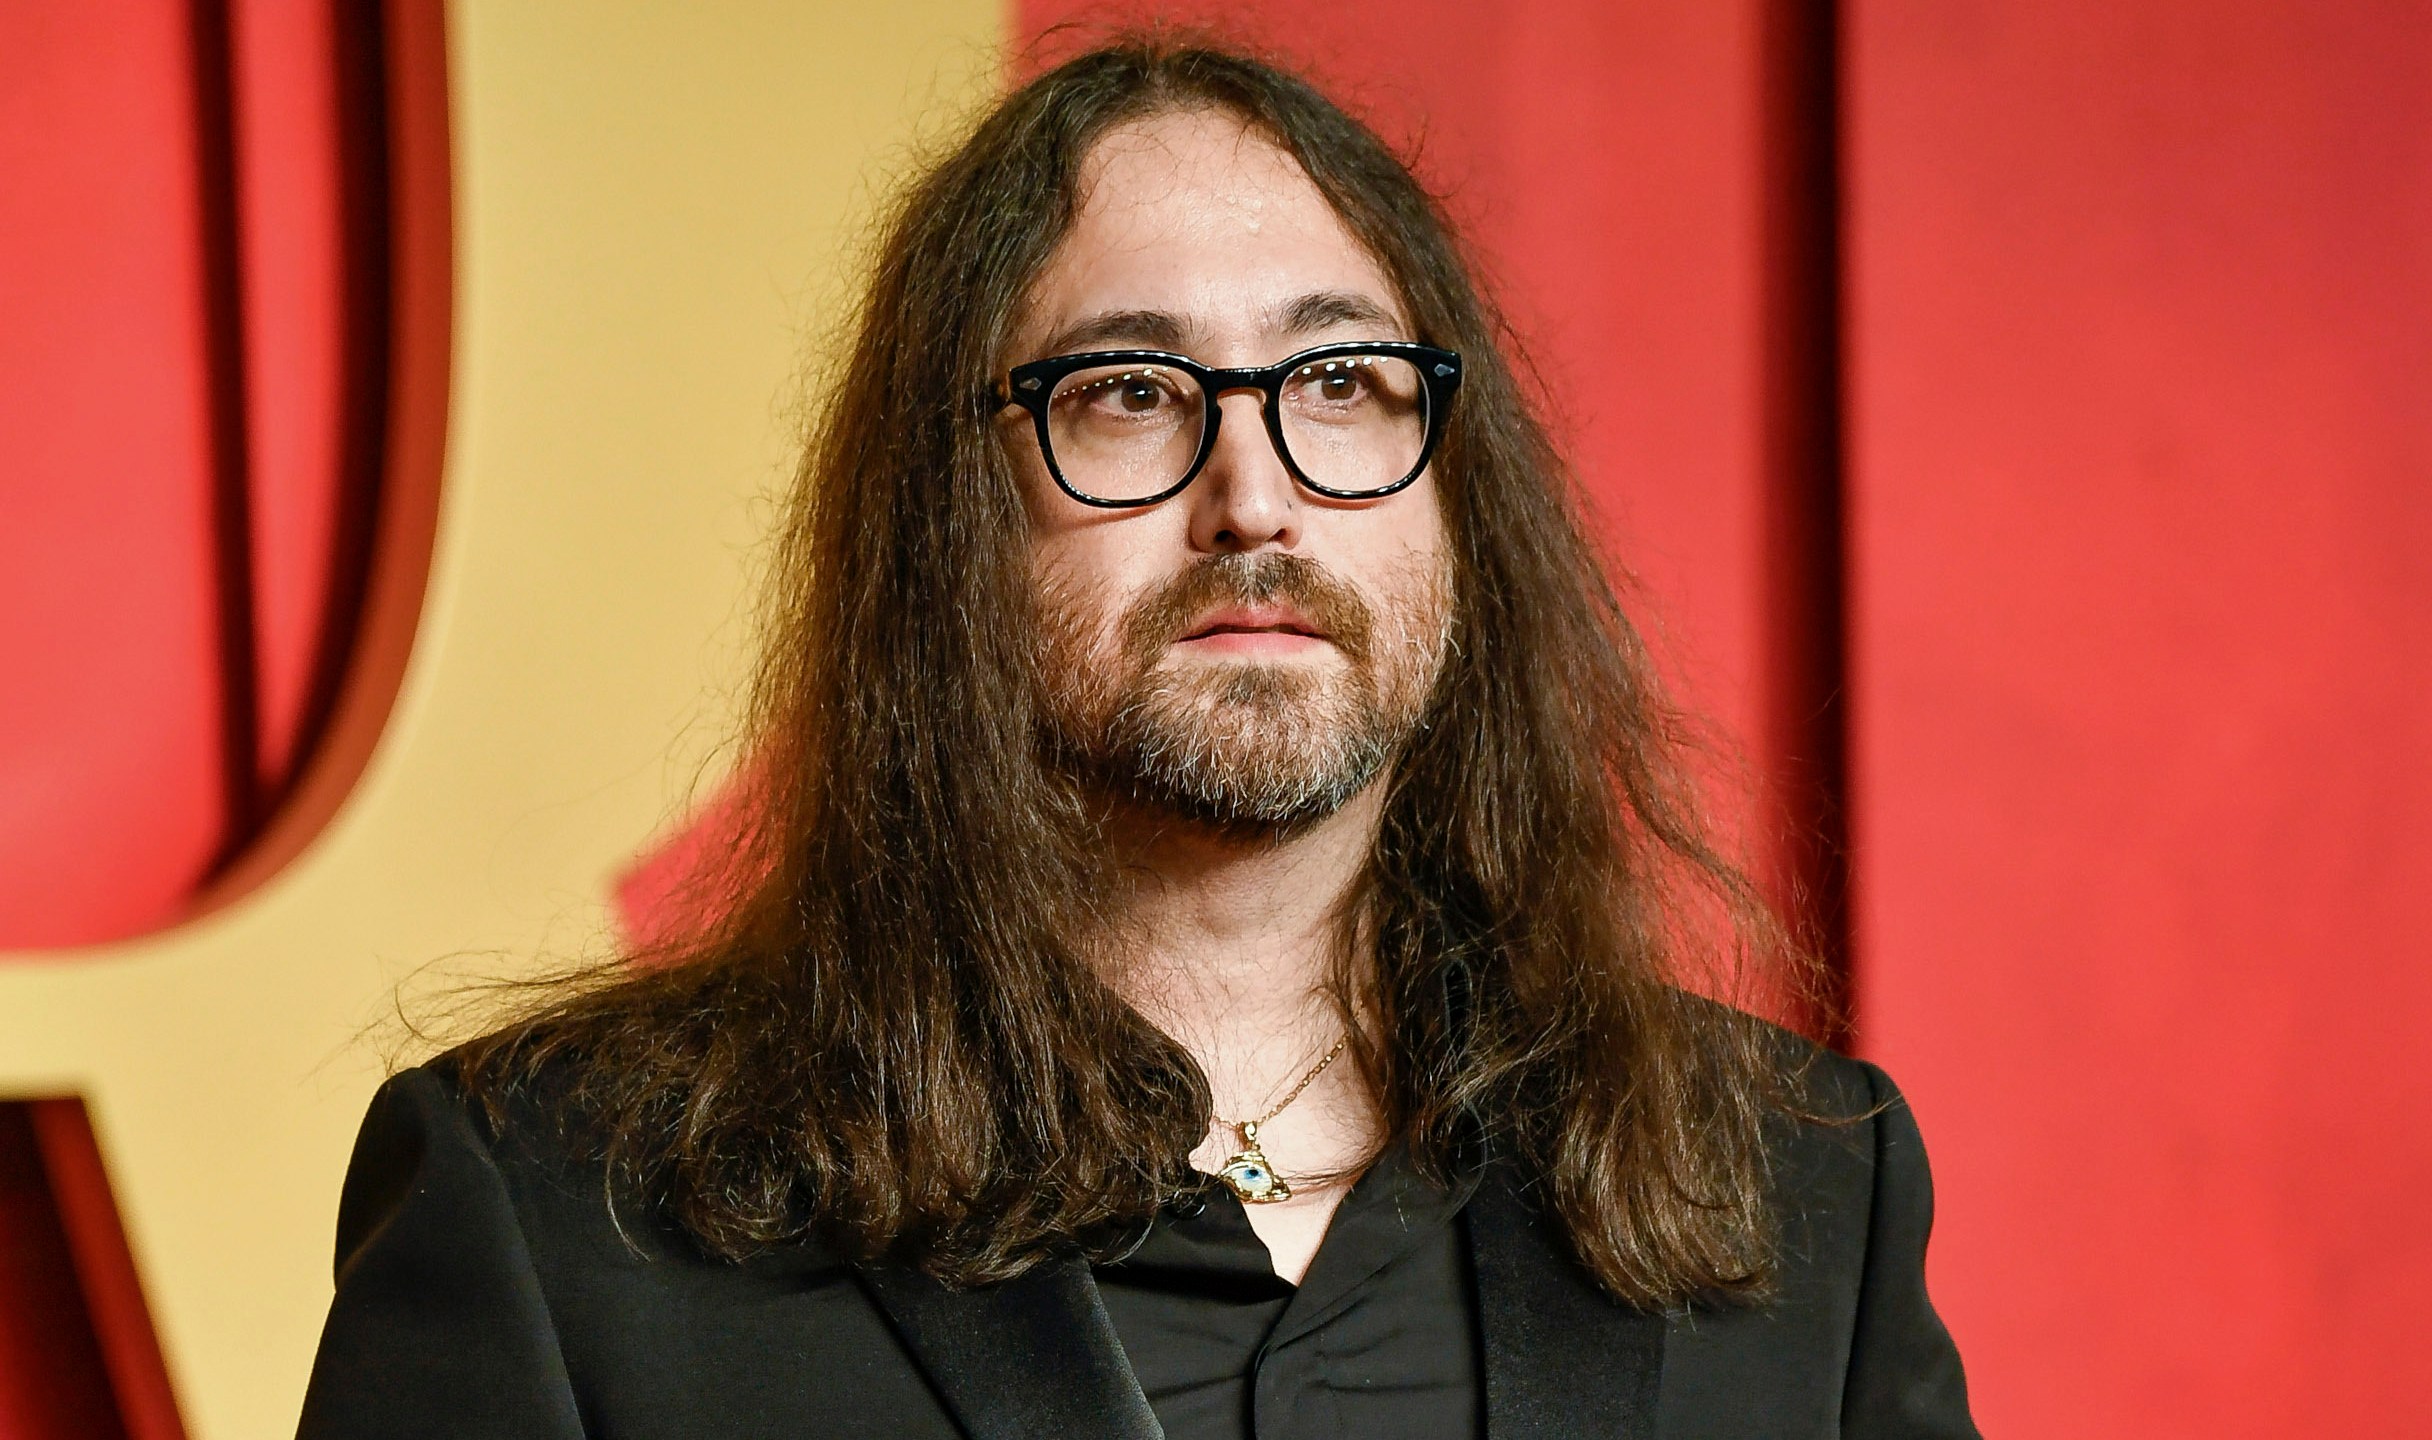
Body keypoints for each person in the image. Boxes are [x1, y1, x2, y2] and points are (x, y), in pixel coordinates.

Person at [297, 39, 1975, 1440]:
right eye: (1127, 394)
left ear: (1459, 500)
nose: (1255, 498)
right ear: (945, 523)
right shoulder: (556, 1206)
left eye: (1338, 383)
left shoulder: (1802, 1193)